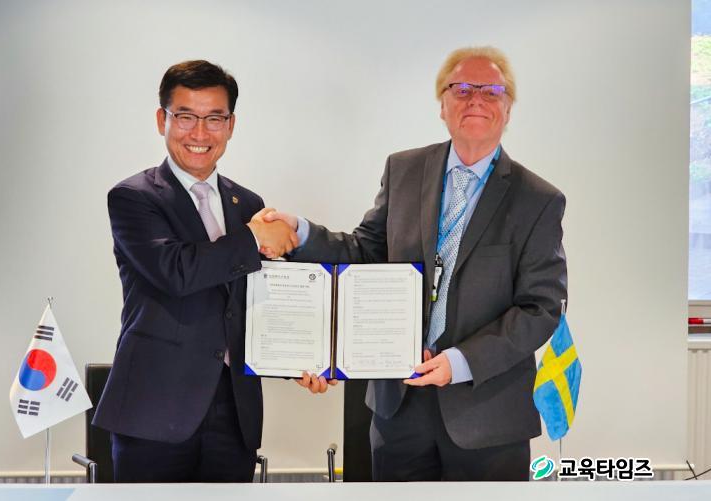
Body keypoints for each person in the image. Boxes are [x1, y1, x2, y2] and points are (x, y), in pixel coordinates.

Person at [267, 46, 567, 481]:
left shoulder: (537, 199)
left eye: (491, 91)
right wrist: (300, 232)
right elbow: (365, 252)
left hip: (487, 417)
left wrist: (460, 362)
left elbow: (541, 308)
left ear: (508, 109)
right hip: (398, 410)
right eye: (461, 89)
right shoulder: (404, 170)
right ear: (442, 105)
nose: (476, 99)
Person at [92, 60, 297, 482]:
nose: (200, 133)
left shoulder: (248, 204)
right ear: (162, 120)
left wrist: (304, 361)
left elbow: (258, 301)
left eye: (214, 119)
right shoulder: (134, 198)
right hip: (154, 410)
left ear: (231, 125)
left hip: (234, 411)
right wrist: (254, 238)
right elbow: (177, 271)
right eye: (185, 117)